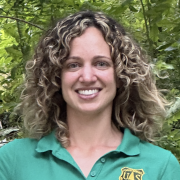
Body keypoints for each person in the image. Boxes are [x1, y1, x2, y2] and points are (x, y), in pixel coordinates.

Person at [0, 11, 179, 180]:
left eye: (101, 63)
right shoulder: (13, 160)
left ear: (121, 76)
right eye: (73, 65)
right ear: (56, 77)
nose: (87, 77)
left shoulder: (161, 166)